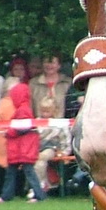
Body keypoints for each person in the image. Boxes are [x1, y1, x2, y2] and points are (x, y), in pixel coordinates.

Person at [28, 53, 71, 194]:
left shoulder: (67, 82)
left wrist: (64, 151)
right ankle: (37, 186)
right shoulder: (33, 83)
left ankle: (41, 187)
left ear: (59, 65)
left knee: (41, 159)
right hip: (40, 129)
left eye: (52, 62)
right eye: (46, 62)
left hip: (58, 132)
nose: (49, 65)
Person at [0, 79, 43, 202]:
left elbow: (23, 127)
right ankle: (6, 196)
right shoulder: (24, 109)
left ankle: (39, 195)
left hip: (24, 148)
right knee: (12, 172)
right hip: (20, 148)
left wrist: (9, 132)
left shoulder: (22, 110)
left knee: (28, 172)